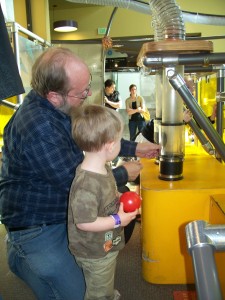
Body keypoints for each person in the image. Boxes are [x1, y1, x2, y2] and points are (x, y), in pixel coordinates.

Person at [0, 47, 160, 300]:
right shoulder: (38, 126)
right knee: (80, 293)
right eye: (82, 92)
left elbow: (95, 136)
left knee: (103, 246)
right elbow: (75, 184)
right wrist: (121, 173)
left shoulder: (60, 108)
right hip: (36, 226)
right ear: (54, 96)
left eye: (88, 87)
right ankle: (21, 257)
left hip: (62, 210)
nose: (87, 95)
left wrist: (137, 147)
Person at [68, 104, 138, 300]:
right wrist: (118, 220)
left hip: (104, 244)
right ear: (109, 145)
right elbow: (84, 222)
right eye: (119, 141)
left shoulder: (103, 168)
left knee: (104, 278)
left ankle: (104, 291)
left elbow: (106, 193)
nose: (119, 145)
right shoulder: (86, 183)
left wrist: (117, 198)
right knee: (99, 289)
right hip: (94, 251)